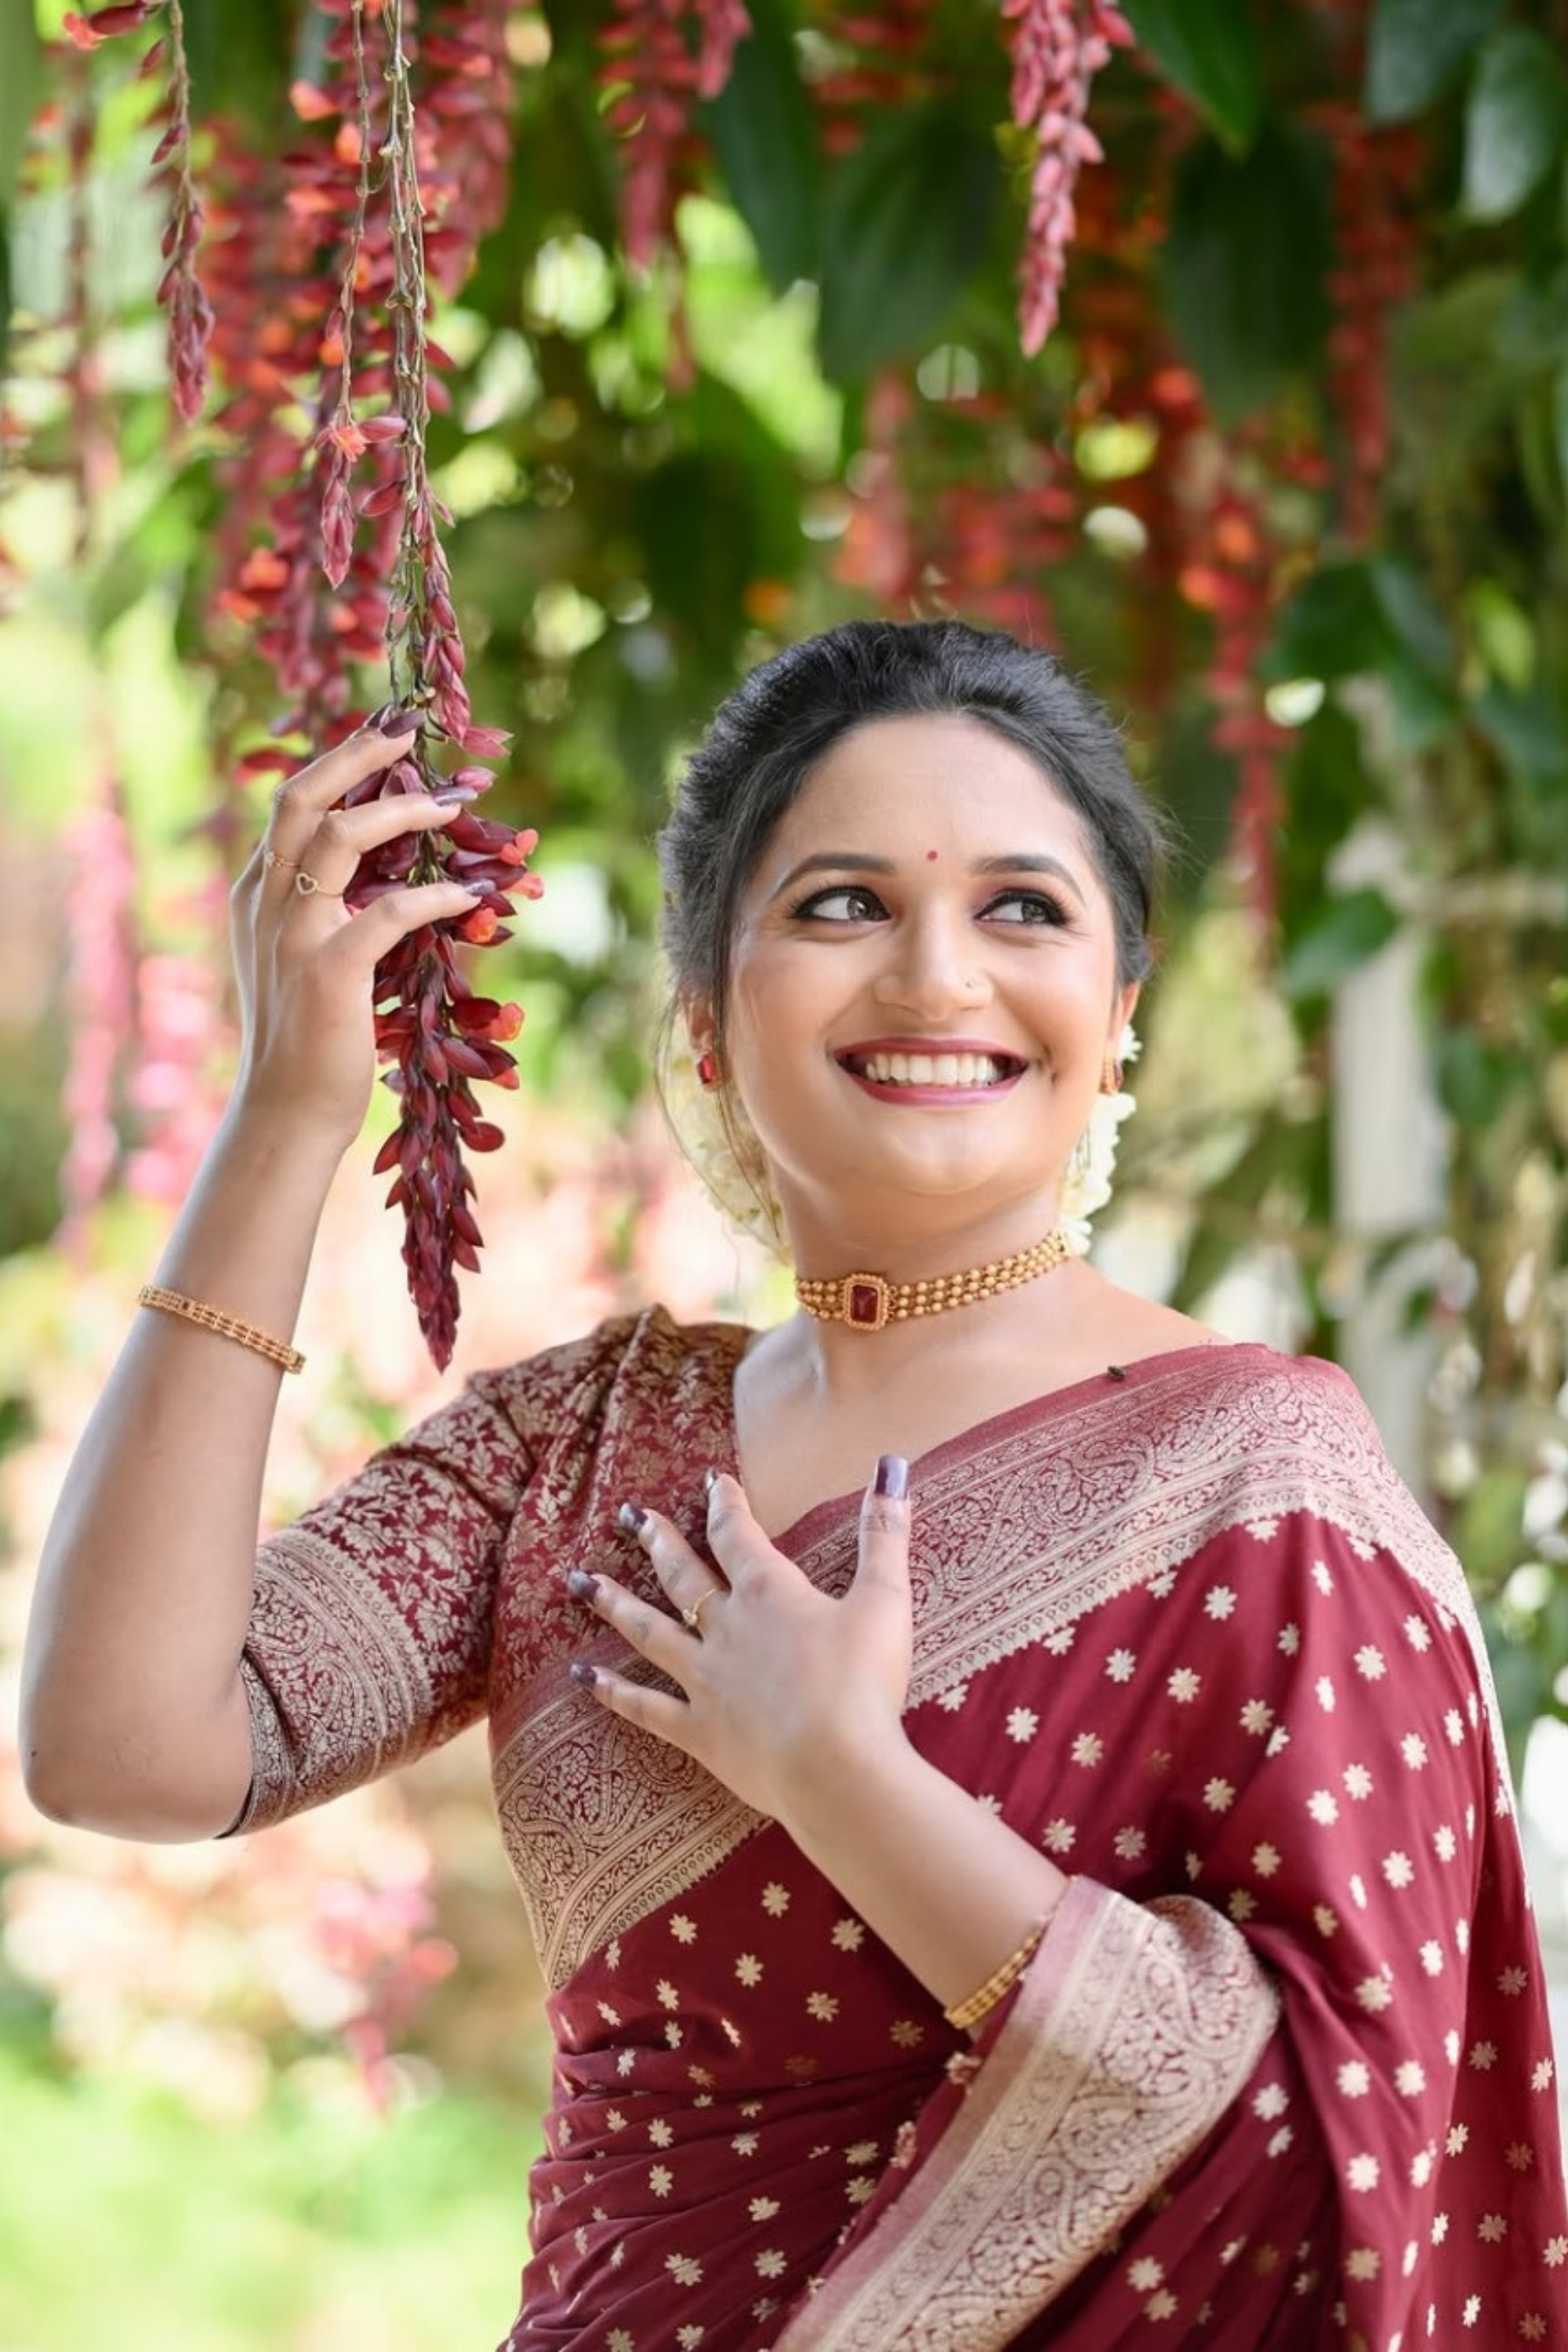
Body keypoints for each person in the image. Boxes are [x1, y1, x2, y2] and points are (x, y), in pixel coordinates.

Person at [20, 619, 1567, 2350]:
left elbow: (1368, 2149)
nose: (934, 978)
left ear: (1116, 1012)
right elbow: (125, 1748)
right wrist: (290, 1114)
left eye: (1022, 909)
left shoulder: (1261, 1483)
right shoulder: (582, 1442)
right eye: (841, 904)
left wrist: (845, 1778)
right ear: (705, 1010)